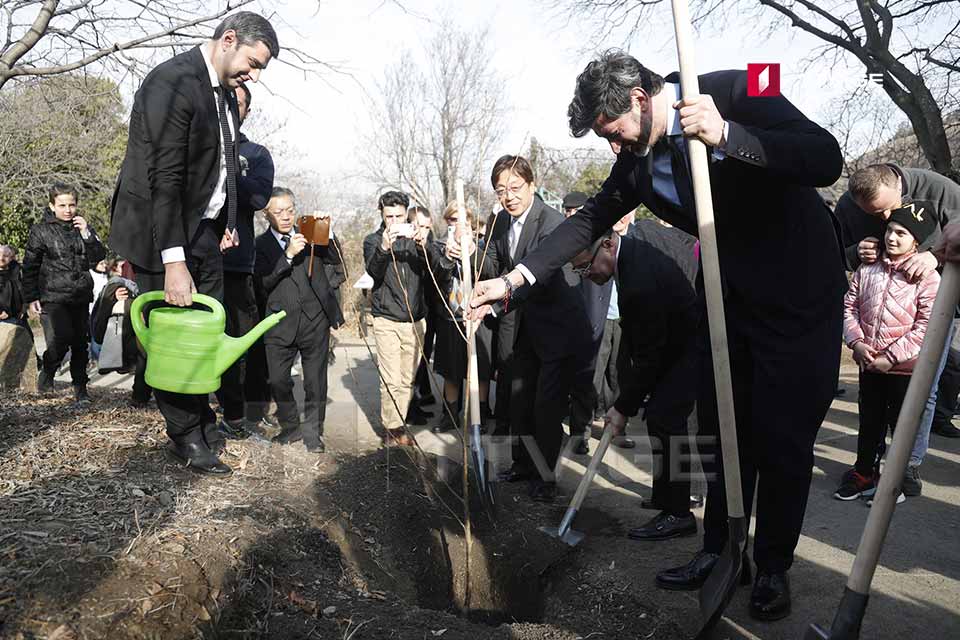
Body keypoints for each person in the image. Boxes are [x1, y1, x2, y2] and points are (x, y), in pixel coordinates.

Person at [471, 50, 846, 620]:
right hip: (727, 296)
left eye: (614, 130)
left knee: (782, 435)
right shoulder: (637, 160)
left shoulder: (745, 85)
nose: (613, 147)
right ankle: (721, 549)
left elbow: (825, 157)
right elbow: (590, 218)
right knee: (724, 431)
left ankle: (772, 565)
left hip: (798, 291)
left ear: (641, 99)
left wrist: (726, 133)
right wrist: (513, 277)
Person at [109, 11, 279, 476]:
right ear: (228, 40)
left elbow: (223, 161)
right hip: (158, 230)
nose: (254, 74)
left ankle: (202, 419)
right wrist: (174, 261)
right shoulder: (172, 82)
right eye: (252, 61)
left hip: (202, 228)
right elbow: (164, 179)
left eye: (260, 67)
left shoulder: (223, 91)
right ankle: (184, 435)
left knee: (206, 324)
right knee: (175, 334)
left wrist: (225, 219)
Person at [475, 155, 593, 503]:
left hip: (557, 325)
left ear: (530, 185)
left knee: (547, 405)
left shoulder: (552, 222)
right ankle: (522, 464)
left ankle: (545, 476)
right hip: (523, 325)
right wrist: (468, 258)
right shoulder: (498, 222)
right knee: (517, 397)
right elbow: (491, 265)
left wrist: (495, 301)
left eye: (514, 188)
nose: (508, 196)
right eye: (500, 191)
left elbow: (538, 277)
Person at [571, 220, 699, 540]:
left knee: (668, 420)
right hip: (672, 341)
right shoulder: (633, 251)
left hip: (691, 344)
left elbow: (650, 354)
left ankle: (678, 513)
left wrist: (623, 406)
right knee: (658, 418)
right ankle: (666, 497)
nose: (587, 276)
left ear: (607, 245)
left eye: (585, 267)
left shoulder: (639, 276)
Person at [835, 163, 960, 486]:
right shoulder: (848, 206)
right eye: (875, 217)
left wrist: (937, 255)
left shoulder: (941, 190)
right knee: (873, 404)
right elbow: (837, 251)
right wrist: (855, 252)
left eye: (889, 211)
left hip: (932, 310)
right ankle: (869, 465)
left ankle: (908, 464)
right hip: (875, 325)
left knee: (923, 390)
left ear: (900, 188)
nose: (886, 224)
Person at [837, 204, 939, 504]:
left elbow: (927, 327)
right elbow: (849, 307)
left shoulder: (928, 278)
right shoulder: (867, 269)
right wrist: (856, 342)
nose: (892, 238)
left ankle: (892, 482)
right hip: (868, 364)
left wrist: (891, 357)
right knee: (869, 423)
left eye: (902, 233)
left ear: (917, 241)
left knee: (901, 427)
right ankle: (864, 474)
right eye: (890, 230)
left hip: (904, 370)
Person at [254, 187, 343, 454]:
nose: (286, 216)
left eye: (290, 210)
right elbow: (262, 284)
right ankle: (290, 427)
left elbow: (336, 260)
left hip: (315, 319)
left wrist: (328, 231)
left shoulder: (311, 235)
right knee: (278, 380)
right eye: (278, 211)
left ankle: (313, 433)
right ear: (266, 214)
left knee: (315, 381)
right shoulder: (260, 245)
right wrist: (288, 256)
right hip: (279, 322)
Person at [216, 81, 275, 438]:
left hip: (237, 263)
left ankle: (236, 415)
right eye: (225, 101)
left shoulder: (256, 154)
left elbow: (258, 197)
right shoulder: (201, 145)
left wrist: (231, 170)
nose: (230, 107)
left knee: (239, 340)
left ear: (246, 111)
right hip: (196, 259)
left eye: (237, 103)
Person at [22, 183, 106, 402]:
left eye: (72, 204)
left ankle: (80, 388)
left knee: (80, 343)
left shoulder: (84, 228)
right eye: (62, 205)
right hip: (52, 296)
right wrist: (31, 298)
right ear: (52, 205)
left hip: (80, 295)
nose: (68, 210)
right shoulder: (40, 231)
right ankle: (48, 370)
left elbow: (98, 258)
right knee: (60, 340)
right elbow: (30, 266)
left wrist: (87, 234)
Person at [362, 191, 430, 447]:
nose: (393, 221)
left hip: (415, 321)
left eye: (398, 216)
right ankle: (392, 431)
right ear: (381, 214)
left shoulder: (416, 239)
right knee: (390, 380)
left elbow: (437, 269)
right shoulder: (372, 240)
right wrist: (383, 248)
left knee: (406, 380)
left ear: (407, 214)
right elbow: (372, 274)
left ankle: (400, 424)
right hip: (386, 319)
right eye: (388, 216)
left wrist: (426, 244)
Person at [431, 202, 494, 433]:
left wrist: (472, 251)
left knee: (481, 369)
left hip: (478, 316)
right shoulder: (437, 247)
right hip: (451, 317)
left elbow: (490, 270)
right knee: (451, 370)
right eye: (453, 221)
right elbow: (435, 277)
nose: (459, 226)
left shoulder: (482, 245)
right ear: (447, 223)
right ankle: (450, 413)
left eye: (464, 221)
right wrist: (448, 257)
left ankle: (482, 412)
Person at [407, 204, 439, 425]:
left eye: (427, 227)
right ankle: (409, 407)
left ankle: (417, 403)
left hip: (430, 311)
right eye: (419, 226)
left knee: (422, 360)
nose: (424, 231)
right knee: (411, 363)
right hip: (411, 313)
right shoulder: (404, 249)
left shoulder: (430, 248)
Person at [0, 246, 25, 326]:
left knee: (27, 337)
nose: (1, 258)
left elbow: (24, 290)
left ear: (11, 258)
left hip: (19, 317)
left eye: (5, 256)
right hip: (3, 318)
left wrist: (24, 309)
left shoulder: (17, 271)